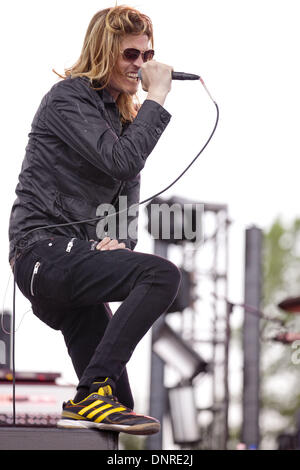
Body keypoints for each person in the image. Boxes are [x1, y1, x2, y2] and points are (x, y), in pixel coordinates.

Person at [8, 5, 181, 435]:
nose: (140, 65)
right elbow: (121, 161)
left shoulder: (122, 118)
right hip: (40, 253)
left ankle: (93, 397)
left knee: (119, 407)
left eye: (146, 55)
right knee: (161, 277)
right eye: (130, 55)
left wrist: (119, 244)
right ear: (104, 51)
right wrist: (156, 99)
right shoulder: (68, 98)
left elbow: (127, 197)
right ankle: (90, 390)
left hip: (76, 260)